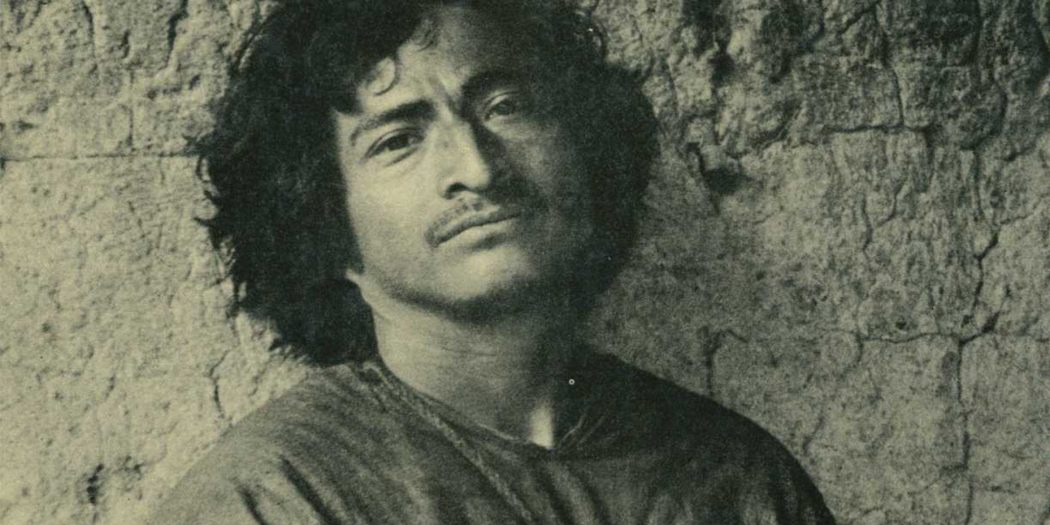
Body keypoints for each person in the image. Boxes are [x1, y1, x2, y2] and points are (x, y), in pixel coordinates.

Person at [148, 0, 837, 523]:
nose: (476, 168)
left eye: (504, 106)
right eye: (397, 141)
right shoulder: (273, 500)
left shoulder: (739, 476)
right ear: (326, 226)